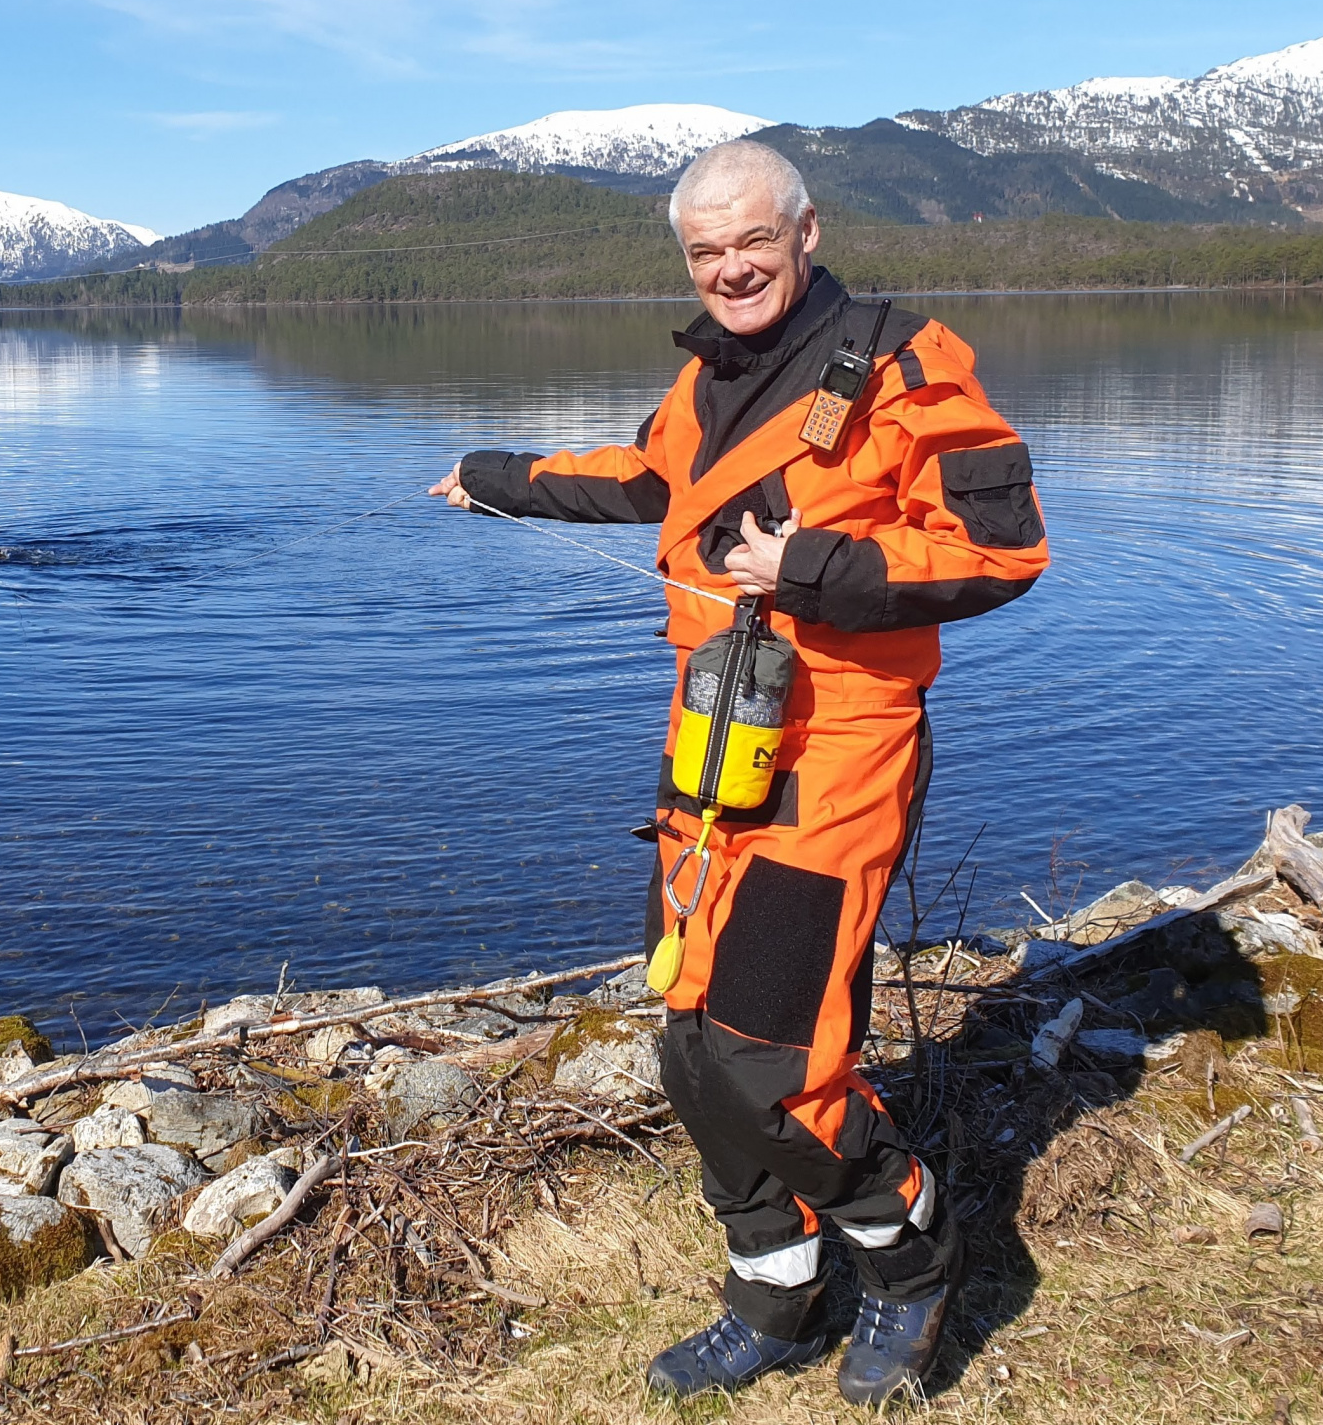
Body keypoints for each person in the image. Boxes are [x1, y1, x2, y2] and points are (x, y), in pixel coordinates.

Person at [430, 140, 1049, 1406]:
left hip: (839, 756)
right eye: (705, 252)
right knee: (692, 1050)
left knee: (771, 1058)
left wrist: (809, 566)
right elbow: (652, 478)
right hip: (714, 751)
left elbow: (1001, 551)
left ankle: (911, 1254)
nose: (729, 269)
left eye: (750, 244)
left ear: (805, 232)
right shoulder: (704, 376)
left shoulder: (902, 362)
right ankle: (773, 1288)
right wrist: (497, 481)